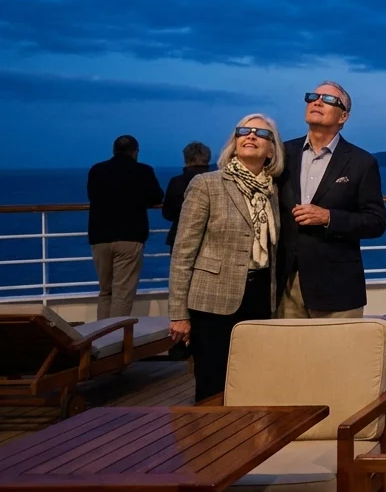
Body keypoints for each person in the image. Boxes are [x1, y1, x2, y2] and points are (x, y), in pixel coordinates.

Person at [167, 116, 283, 402]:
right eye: (244, 131)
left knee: (253, 381)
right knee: (212, 385)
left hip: (259, 296)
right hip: (212, 302)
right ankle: (209, 443)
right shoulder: (206, 184)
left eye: (260, 133)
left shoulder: (273, 191)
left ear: (271, 150)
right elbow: (183, 252)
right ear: (234, 143)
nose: (251, 135)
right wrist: (179, 313)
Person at [275, 81, 386, 318]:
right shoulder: (281, 154)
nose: (317, 101)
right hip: (286, 285)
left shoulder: (361, 162)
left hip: (337, 286)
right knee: (287, 355)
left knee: (336, 356)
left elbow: (375, 222)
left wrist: (328, 217)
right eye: (313, 97)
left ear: (343, 116)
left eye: (328, 100)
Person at [87, 135, 164, 318]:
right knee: (122, 293)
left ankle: (101, 338)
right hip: (130, 237)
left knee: (105, 291)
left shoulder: (97, 170)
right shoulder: (143, 171)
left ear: (114, 150)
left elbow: (92, 195)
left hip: (100, 237)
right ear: (135, 151)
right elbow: (156, 197)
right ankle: (115, 339)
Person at [163, 142, 213, 248]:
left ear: (187, 159)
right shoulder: (218, 180)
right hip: (211, 238)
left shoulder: (177, 181)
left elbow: (168, 214)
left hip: (180, 235)